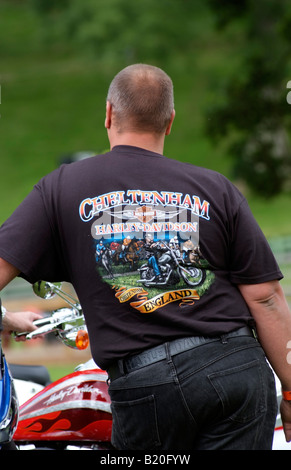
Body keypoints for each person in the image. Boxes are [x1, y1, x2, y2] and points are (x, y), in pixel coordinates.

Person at [0, 63, 290, 450]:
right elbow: (267, 297)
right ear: (169, 122)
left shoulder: (61, 187)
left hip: (148, 381)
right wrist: (289, 390)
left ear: (108, 113)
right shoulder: (215, 187)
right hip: (237, 368)